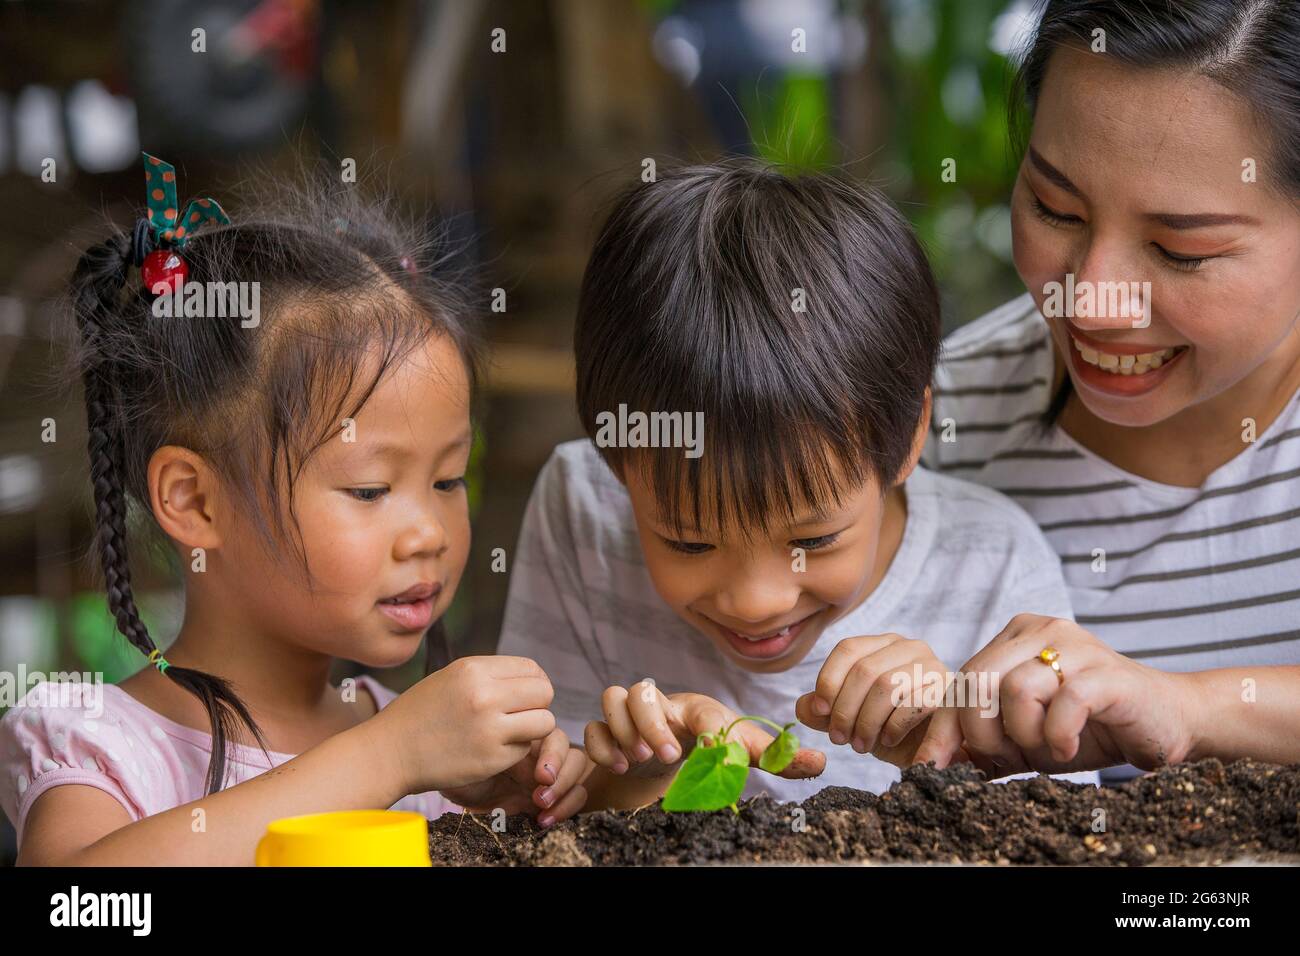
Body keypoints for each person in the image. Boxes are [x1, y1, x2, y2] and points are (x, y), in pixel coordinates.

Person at [0, 156, 586, 866]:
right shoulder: (104, 743)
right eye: (371, 491)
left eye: (450, 479)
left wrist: (578, 793)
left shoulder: (428, 750)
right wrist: (386, 758)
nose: (430, 534)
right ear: (193, 501)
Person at [497, 158, 1092, 809]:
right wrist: (640, 773)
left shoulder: (993, 565)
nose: (756, 603)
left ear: (910, 436)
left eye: (815, 538)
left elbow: (1067, 823)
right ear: (616, 462)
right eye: (690, 543)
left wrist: (959, 739)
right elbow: (533, 802)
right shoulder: (583, 507)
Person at [922, 0, 1300, 778]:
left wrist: (1190, 706)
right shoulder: (921, 435)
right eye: (1053, 208)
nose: (1091, 300)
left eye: (1180, 249)